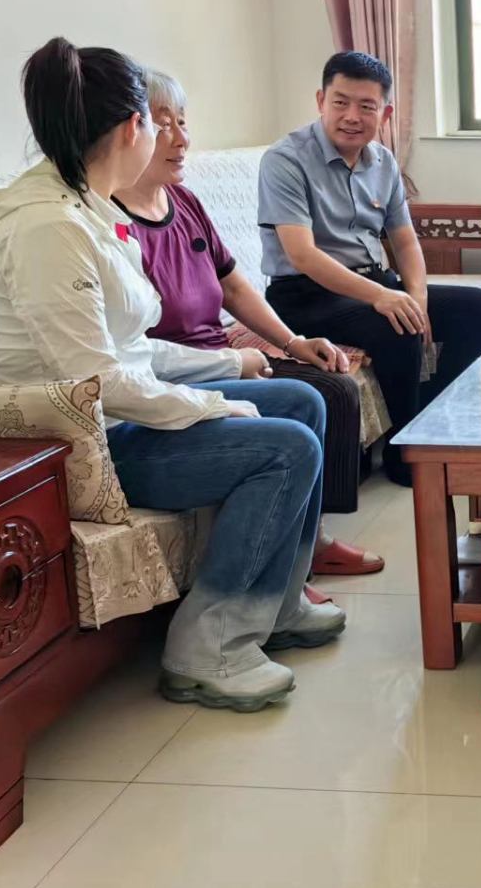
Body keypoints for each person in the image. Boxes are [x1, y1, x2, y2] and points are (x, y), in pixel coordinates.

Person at [0, 37, 344, 712]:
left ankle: (277, 602)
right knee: (286, 447)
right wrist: (211, 406)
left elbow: (133, 350)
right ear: (131, 128)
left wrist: (225, 368)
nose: (170, 134)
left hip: (116, 412)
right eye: (158, 120)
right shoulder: (47, 229)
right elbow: (95, 385)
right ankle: (208, 646)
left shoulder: (87, 208)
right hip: (76, 444)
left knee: (300, 401)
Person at [113, 69, 383, 577]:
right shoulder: (110, 223)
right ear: (131, 131)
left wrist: (293, 342)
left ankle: (308, 540)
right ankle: (302, 548)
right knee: (320, 396)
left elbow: (234, 286)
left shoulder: (183, 201)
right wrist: (233, 362)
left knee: (330, 383)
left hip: (220, 351)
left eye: (183, 122)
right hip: (177, 375)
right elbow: (129, 354)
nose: (181, 139)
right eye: (164, 125)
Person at [261, 51, 481, 485]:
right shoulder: (286, 159)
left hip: (373, 283)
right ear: (321, 100)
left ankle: (432, 422)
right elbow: (302, 255)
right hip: (306, 294)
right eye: (340, 102)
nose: (352, 116)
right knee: (396, 323)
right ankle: (404, 455)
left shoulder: (383, 162)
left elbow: (404, 240)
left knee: (479, 309)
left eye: (366, 106)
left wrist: (416, 297)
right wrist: (386, 298)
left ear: (385, 113)